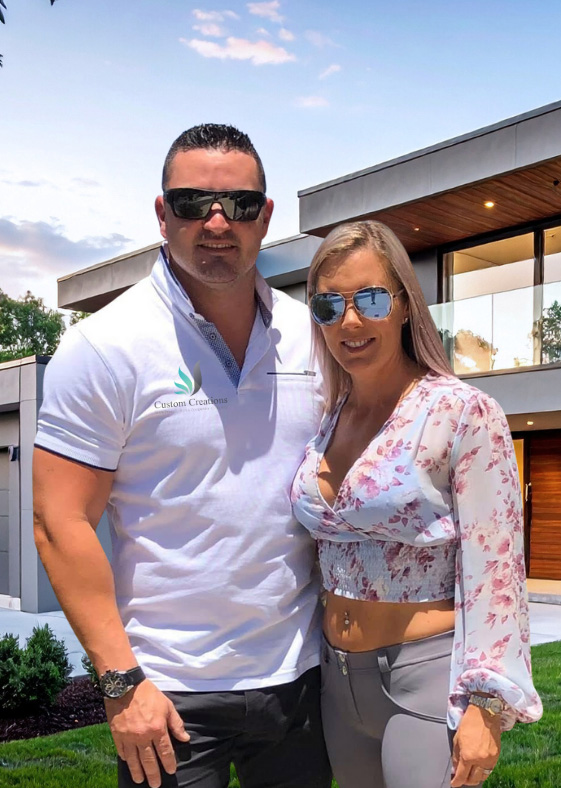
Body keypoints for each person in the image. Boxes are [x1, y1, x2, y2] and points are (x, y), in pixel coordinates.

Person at [33, 124, 331, 788]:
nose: (217, 222)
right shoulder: (105, 345)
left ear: (266, 217)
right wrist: (120, 683)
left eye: (240, 205)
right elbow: (60, 522)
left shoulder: (311, 336)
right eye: (193, 203)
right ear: (162, 214)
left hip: (301, 682)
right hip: (167, 695)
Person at [291, 220, 543, 788]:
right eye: (328, 305)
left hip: (423, 679)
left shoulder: (461, 412)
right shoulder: (327, 417)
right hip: (336, 679)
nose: (349, 321)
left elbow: (497, 567)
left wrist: (487, 705)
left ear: (405, 305)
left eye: (371, 299)